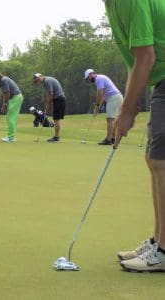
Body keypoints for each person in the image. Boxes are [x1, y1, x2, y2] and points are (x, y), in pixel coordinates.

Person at [104, 0, 165, 272]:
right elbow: (135, 61)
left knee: (162, 163)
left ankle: (164, 250)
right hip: (160, 81)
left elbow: (146, 57)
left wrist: (128, 110)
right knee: (154, 160)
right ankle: (158, 241)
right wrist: (125, 108)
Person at [84, 69, 123, 145]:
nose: (88, 79)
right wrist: (97, 108)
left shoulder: (98, 78)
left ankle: (108, 139)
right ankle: (112, 139)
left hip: (113, 98)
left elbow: (100, 93)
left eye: (88, 77)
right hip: (117, 97)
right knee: (112, 119)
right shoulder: (100, 79)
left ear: (91, 74)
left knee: (110, 119)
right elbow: (102, 97)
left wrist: (97, 105)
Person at [0, 71, 24, 142]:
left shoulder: (3, 80)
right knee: (12, 118)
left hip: (15, 98)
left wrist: (4, 105)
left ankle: (11, 137)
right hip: (16, 97)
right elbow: (6, 94)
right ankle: (12, 136)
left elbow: (7, 93)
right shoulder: (4, 80)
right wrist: (4, 104)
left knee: (10, 117)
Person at [33, 73, 66, 142]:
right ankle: (57, 137)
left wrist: (48, 105)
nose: (38, 82)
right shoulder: (47, 81)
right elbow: (50, 94)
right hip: (59, 99)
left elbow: (51, 94)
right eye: (36, 81)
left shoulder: (47, 81)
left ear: (41, 76)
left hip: (59, 99)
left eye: (38, 80)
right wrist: (49, 104)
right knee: (56, 119)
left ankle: (56, 137)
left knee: (56, 119)